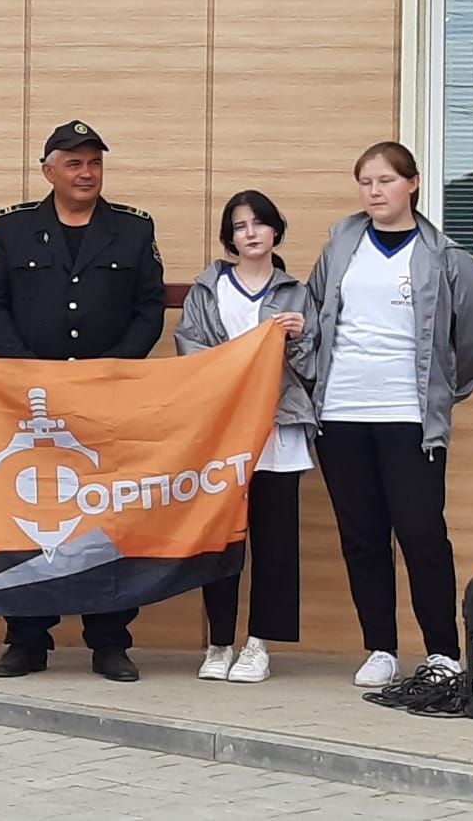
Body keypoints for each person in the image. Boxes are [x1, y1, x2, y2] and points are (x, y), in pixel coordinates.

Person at [0, 120, 164, 682]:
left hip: (106, 400)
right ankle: (27, 639)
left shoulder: (132, 228)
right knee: (27, 514)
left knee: (105, 515)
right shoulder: (13, 228)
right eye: (75, 162)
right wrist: (23, 371)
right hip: (30, 404)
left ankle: (109, 639)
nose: (87, 173)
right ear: (48, 170)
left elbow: (149, 307)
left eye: (95, 163)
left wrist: (113, 370)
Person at [308, 142, 473, 690]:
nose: (374, 192)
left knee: (421, 533)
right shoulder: (341, 244)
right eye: (365, 182)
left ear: (412, 184)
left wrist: (440, 395)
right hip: (340, 414)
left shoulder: (443, 256)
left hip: (408, 417)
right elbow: (317, 313)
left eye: (385, 180)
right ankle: (380, 647)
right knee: (362, 536)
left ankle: (442, 651)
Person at [175, 190, 316, 684]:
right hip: (223, 432)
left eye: (259, 223)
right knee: (220, 536)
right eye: (239, 226)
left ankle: (259, 643)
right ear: (228, 236)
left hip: (279, 433)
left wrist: (299, 340)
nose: (250, 233)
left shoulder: (298, 293)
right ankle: (219, 642)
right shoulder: (209, 289)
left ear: (276, 230)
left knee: (275, 543)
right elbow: (190, 349)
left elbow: (315, 365)